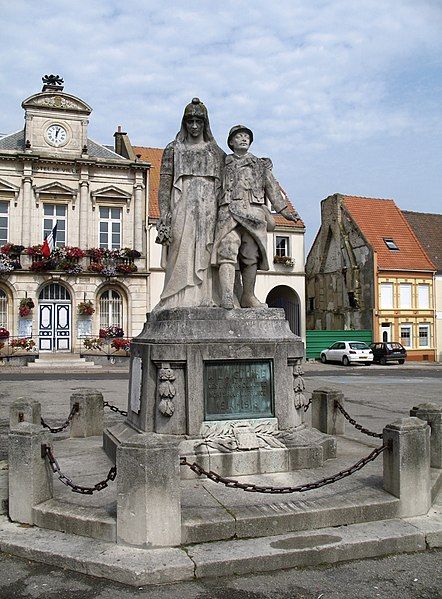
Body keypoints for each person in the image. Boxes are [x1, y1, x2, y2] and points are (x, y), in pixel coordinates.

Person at [211, 125, 300, 309]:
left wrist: (285, 212)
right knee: (227, 249)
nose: (243, 139)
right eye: (239, 136)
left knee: (251, 255)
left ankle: (248, 296)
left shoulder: (259, 165)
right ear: (231, 142)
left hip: (254, 215)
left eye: (246, 137)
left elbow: (273, 189)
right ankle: (227, 295)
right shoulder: (222, 163)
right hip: (228, 212)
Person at [155, 98, 225, 310]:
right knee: (181, 251)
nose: (194, 126)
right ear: (184, 123)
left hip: (209, 208)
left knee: (208, 251)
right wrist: (164, 213)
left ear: (205, 124)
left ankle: (208, 297)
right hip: (182, 206)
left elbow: (225, 189)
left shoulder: (216, 153)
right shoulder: (173, 149)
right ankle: (176, 298)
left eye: (198, 122)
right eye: (190, 121)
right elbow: (164, 185)